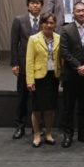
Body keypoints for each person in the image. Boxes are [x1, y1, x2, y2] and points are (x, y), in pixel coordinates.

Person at [59, 2, 84, 147]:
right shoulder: (65, 29)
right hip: (71, 74)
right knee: (68, 106)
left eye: (83, 11)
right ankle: (68, 135)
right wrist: (78, 66)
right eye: (78, 11)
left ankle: (83, 134)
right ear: (74, 13)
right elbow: (64, 51)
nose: (81, 13)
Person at [10, 0, 43, 140]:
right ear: (28, 5)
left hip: (41, 66)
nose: (35, 5)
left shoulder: (46, 19)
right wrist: (15, 63)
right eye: (32, 3)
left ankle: (39, 127)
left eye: (37, 3)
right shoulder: (19, 20)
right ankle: (20, 126)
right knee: (22, 97)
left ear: (41, 5)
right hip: (24, 65)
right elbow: (14, 43)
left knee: (40, 98)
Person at [25, 12, 60, 148]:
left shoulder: (58, 38)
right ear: (41, 24)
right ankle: (37, 134)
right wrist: (30, 80)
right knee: (37, 108)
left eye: (51, 23)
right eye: (46, 22)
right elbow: (29, 61)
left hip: (53, 76)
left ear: (55, 24)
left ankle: (48, 133)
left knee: (50, 108)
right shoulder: (34, 39)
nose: (49, 25)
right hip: (39, 77)